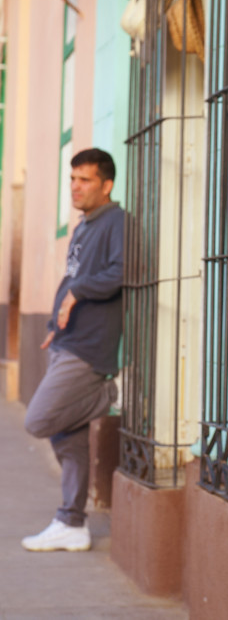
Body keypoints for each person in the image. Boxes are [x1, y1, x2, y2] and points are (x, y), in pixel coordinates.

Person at [21, 148, 124, 552]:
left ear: (107, 185)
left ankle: (106, 393)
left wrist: (77, 292)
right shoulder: (84, 225)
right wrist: (52, 323)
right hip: (65, 341)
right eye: (73, 179)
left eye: (85, 180)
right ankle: (72, 522)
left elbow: (120, 272)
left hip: (89, 348)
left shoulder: (117, 221)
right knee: (69, 436)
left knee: (39, 420)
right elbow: (72, 277)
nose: (76, 187)